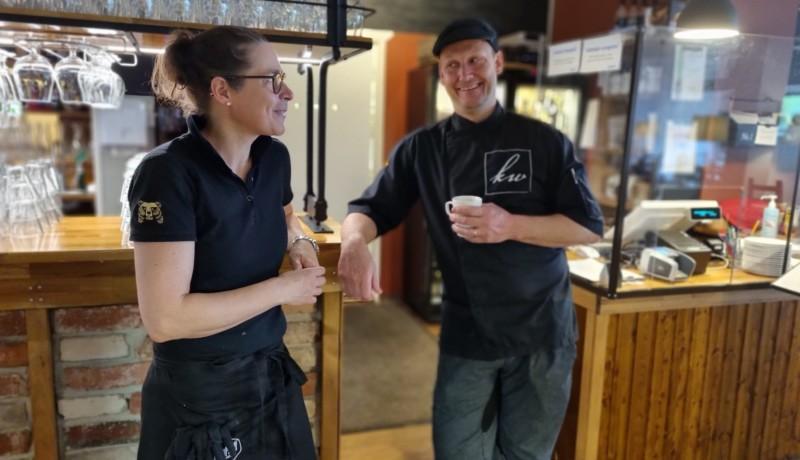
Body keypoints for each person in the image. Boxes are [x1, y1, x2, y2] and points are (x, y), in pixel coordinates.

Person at [338, 18, 604, 460]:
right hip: (468, 329)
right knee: (458, 449)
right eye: (452, 66)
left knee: (526, 453)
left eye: (476, 61)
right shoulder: (420, 149)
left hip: (542, 330)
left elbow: (589, 226)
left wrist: (511, 224)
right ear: (441, 75)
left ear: (497, 62)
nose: (465, 75)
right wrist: (353, 245)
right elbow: (368, 209)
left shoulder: (545, 141)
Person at [129, 26, 325, 460]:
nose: (287, 92)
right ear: (223, 90)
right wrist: (283, 290)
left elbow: (287, 215)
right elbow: (165, 319)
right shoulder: (167, 174)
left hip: (270, 379)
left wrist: (301, 243)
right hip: (199, 394)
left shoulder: (275, 157)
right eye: (272, 79)